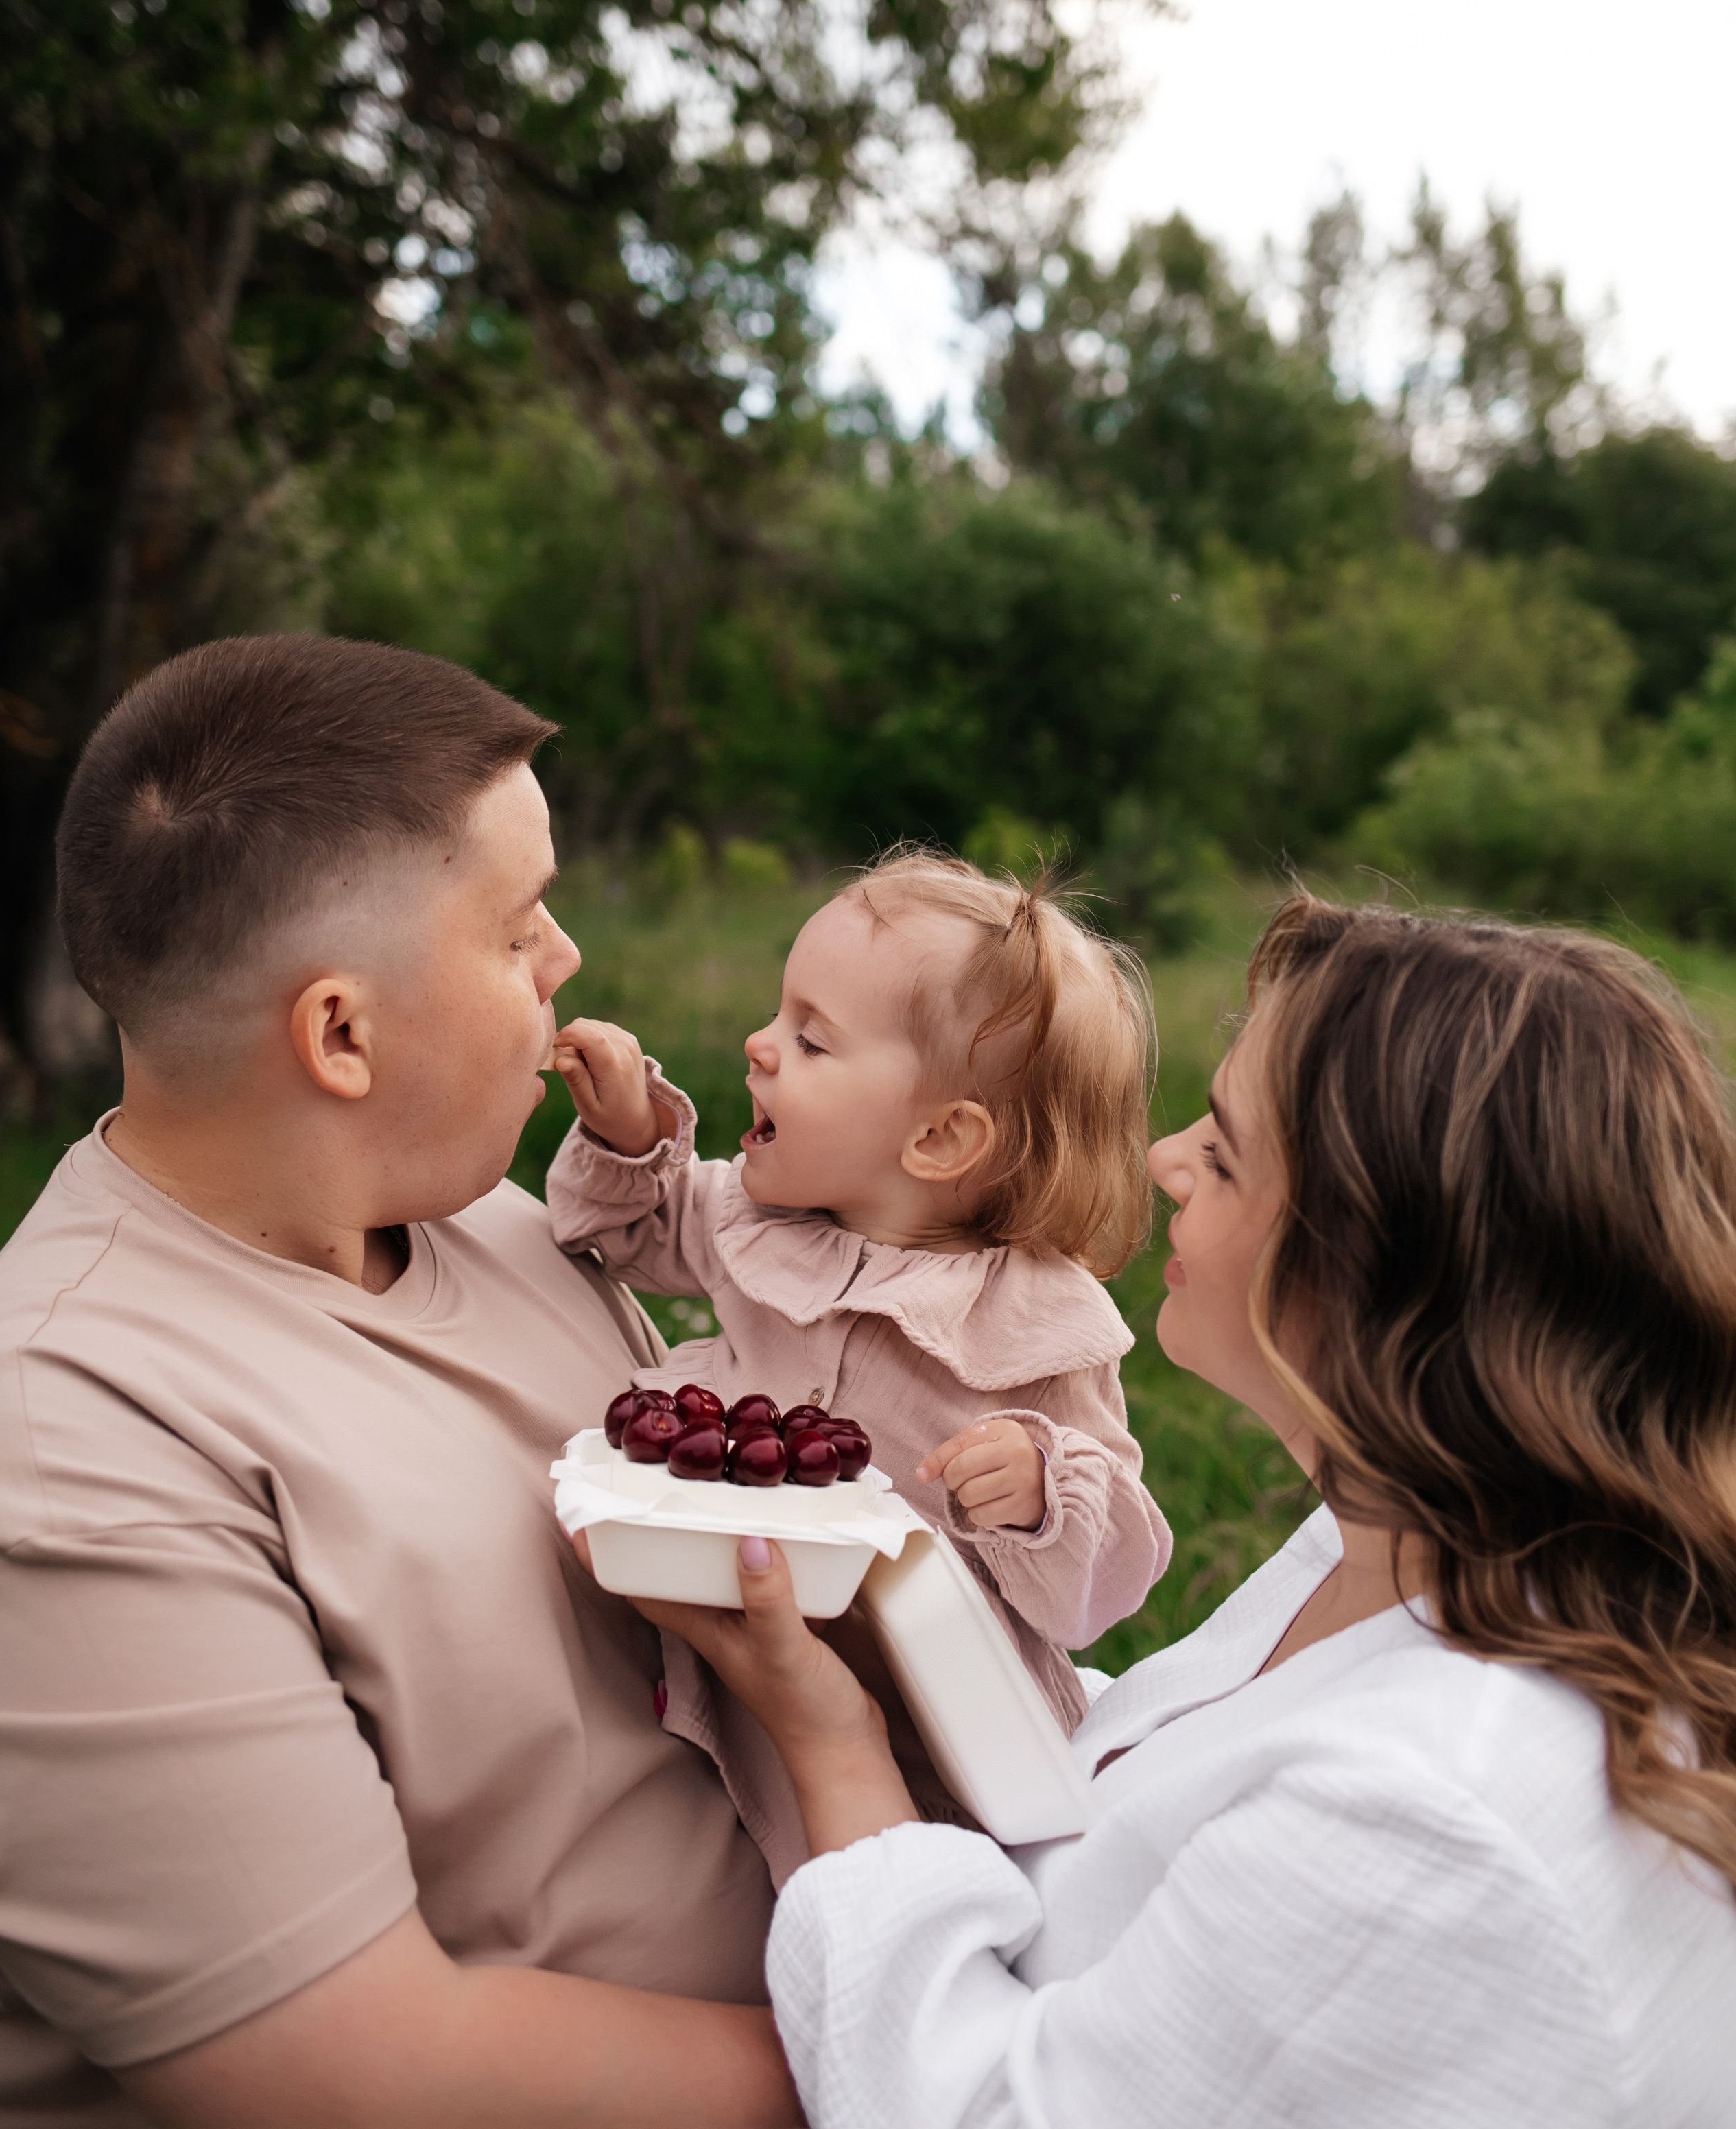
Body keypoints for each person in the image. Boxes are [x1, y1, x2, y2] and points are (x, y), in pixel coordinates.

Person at [628, 896, 1736, 2126]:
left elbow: (988, 2111)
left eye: (1224, 1151)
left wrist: (837, 1750)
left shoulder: (1434, 1818)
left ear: (1368, 1273)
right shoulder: (1416, 1544)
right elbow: (1178, 1781)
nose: (1162, 1158)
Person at [0, 635, 799, 2129]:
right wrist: (955, 2064)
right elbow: (361, 2071)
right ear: (339, 1032)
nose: (562, 962)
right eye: (516, 927)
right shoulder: (61, 1449)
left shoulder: (490, 1220)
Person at [545, 853, 1169, 1875]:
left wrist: (1043, 1487)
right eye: (777, 1017)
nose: (758, 1045)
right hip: (729, 1672)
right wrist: (625, 1134)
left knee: (922, 1887)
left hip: (937, 1735)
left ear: (937, 1137)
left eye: (810, 1037)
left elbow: (1101, 1591)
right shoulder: (753, 1219)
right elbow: (623, 1234)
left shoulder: (1039, 1327)